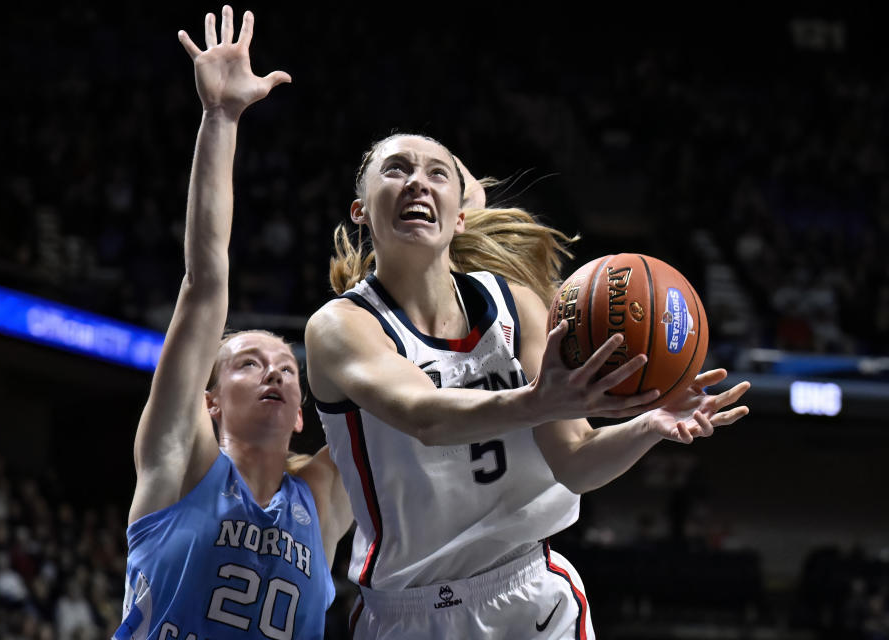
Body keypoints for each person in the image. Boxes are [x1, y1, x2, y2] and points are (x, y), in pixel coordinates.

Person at [304, 133, 751, 639]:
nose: (416, 183)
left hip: (531, 597)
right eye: (396, 170)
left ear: (461, 217)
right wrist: (535, 401)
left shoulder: (516, 303)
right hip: (408, 612)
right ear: (360, 211)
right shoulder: (342, 326)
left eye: (436, 173)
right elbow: (423, 415)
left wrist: (647, 426)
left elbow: (575, 460)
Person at [113, 7, 351, 639]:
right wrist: (220, 119)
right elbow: (204, 285)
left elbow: (415, 385)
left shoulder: (324, 495)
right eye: (249, 361)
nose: (275, 368)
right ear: (210, 401)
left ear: (302, 413)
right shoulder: (180, 461)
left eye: (286, 368)